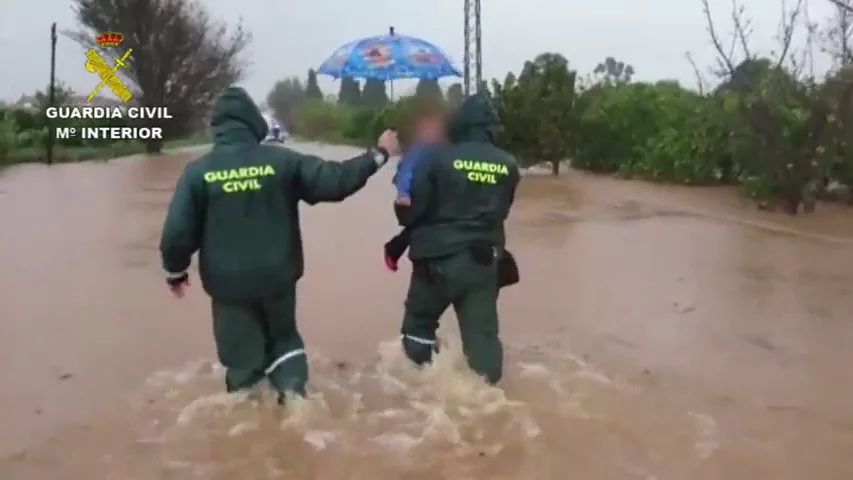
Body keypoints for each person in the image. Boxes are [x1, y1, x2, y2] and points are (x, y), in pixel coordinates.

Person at [159, 86, 400, 402]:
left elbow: (177, 234)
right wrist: (379, 154)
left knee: (243, 365)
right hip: (278, 278)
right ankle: (296, 403)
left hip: (229, 287)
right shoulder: (281, 161)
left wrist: (175, 271)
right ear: (253, 122)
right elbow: (335, 180)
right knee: (284, 342)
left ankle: (251, 426)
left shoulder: (198, 173)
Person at [395, 92, 520, 385]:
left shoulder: (435, 158)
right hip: (482, 263)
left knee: (417, 329)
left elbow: (416, 213)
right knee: (484, 343)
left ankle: (424, 388)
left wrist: (401, 204)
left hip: (435, 263)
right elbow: (500, 212)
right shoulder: (508, 165)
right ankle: (486, 401)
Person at [384, 104, 447, 271]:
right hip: (415, 197)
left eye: (436, 126)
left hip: (435, 195)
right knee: (421, 223)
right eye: (428, 126)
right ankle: (393, 249)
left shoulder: (444, 146)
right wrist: (403, 193)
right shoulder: (418, 148)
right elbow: (405, 171)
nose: (433, 130)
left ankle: (394, 249)